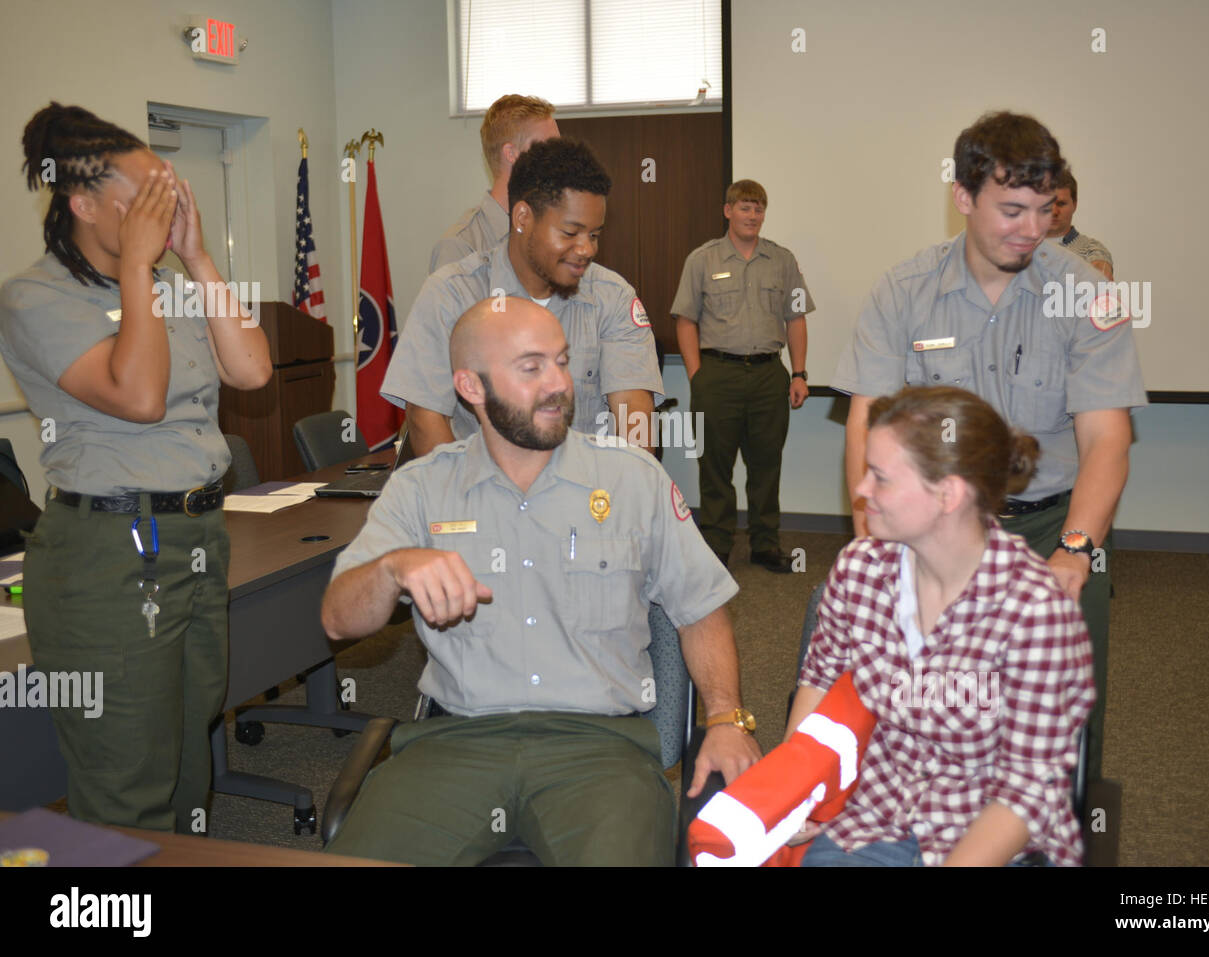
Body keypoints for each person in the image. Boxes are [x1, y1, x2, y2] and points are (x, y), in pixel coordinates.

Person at [322, 298, 760, 865]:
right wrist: (391, 568)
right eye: (532, 368)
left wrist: (725, 718)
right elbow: (338, 619)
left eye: (561, 361)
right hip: (456, 746)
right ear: (470, 387)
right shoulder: (421, 489)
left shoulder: (633, 479)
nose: (560, 384)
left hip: (600, 751)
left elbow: (699, 607)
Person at [833, 111, 1145, 781]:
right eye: (1011, 209)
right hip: (934, 529)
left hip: (1048, 528)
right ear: (963, 197)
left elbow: (1108, 438)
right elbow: (867, 421)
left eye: (1042, 209)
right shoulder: (902, 293)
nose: (1030, 228)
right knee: (913, 708)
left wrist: (1074, 550)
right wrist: (872, 535)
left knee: (1058, 726)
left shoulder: (1085, 295)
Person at [0, 103, 271, 831]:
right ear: (83, 203)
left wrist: (199, 256)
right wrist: (145, 269)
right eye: (148, 197)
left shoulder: (169, 286)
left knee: (188, 760)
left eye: (170, 194)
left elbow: (252, 369)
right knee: (127, 785)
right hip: (108, 556)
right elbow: (140, 396)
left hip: (196, 539)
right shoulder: (35, 296)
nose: (165, 209)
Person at [789, 386, 1095, 866]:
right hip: (871, 820)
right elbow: (820, 681)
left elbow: (1027, 791)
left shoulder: (1036, 610)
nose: (861, 490)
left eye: (882, 478)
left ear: (948, 494)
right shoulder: (859, 569)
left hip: (990, 839)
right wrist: (799, 789)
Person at [384, 137, 662, 457]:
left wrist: (623, 499)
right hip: (479, 494)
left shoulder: (612, 297)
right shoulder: (452, 294)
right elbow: (425, 416)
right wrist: (462, 503)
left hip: (586, 497)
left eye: (595, 235)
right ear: (522, 219)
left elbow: (634, 414)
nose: (587, 249)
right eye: (570, 233)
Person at [670, 180, 813, 572]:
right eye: (745, 208)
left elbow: (795, 319)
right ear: (727, 211)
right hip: (718, 375)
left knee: (767, 466)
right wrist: (698, 375)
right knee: (714, 466)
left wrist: (799, 373)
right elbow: (686, 321)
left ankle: (766, 545)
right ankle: (716, 545)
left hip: (770, 375)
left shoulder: (782, 260)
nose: (753, 216)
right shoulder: (702, 260)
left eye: (759, 209)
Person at [429, 94, 559, 275]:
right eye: (549, 148)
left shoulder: (553, 235)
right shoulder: (460, 247)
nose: (560, 159)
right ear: (511, 154)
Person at [1048, 170, 1114, 280]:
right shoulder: (1020, 248)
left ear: (1074, 204)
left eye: (1061, 204)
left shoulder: (1091, 250)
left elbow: (1101, 276)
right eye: (1048, 203)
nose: (1054, 211)